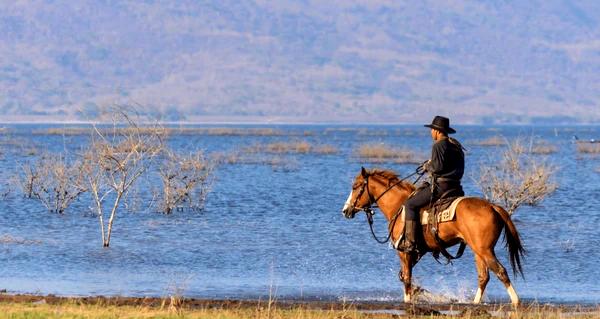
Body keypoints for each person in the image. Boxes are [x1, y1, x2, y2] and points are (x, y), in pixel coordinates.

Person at [397, 115, 465, 253]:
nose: (431, 132)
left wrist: (428, 167)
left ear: (437, 131)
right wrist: (431, 163)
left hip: (441, 187)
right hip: (456, 187)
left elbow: (438, 168)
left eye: (432, 129)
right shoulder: (455, 145)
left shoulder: (439, 145)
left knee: (410, 204)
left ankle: (410, 242)